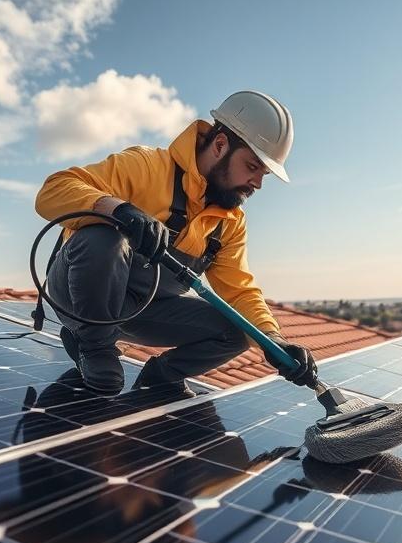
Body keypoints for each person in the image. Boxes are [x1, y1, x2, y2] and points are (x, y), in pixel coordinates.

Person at [34, 90, 317, 397]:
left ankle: (161, 377)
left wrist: (273, 340)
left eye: (264, 174)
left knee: (239, 330)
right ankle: (92, 345)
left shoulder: (229, 221)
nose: (258, 184)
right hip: (78, 297)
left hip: (142, 311)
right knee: (106, 234)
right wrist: (117, 209)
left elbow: (239, 291)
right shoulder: (146, 167)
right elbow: (52, 191)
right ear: (221, 145)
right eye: (252, 167)